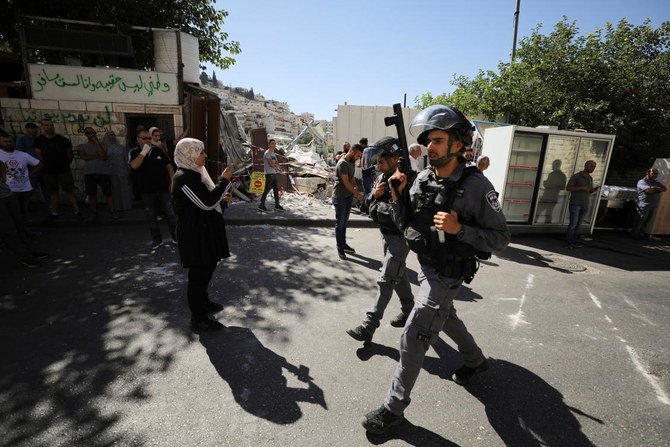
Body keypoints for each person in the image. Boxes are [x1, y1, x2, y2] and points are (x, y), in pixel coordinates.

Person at [361, 105, 510, 435]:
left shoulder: (476, 186)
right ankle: (475, 360)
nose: (431, 146)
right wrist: (397, 196)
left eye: (438, 140)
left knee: (415, 333)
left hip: (450, 272)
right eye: (428, 140)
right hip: (427, 267)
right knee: (446, 318)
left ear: (458, 144)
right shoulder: (424, 179)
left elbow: (502, 238)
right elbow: (407, 225)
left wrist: (461, 229)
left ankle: (394, 408)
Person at [346, 137, 415, 343]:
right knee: (398, 275)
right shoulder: (381, 178)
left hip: (400, 239)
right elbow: (368, 208)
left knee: (386, 280)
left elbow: (403, 217)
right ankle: (409, 310)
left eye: (381, 162)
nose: (378, 166)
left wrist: (390, 199)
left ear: (395, 159)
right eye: (376, 162)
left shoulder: (406, 181)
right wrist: (374, 196)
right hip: (386, 235)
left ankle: (368, 326)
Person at [171, 138, 233, 332]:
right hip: (194, 236)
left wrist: (222, 201)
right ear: (189, 154)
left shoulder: (197, 174)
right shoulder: (183, 178)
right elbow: (206, 203)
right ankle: (198, 318)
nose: (205, 155)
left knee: (207, 269)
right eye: (201, 152)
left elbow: (208, 203)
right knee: (198, 276)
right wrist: (224, 181)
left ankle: (204, 304)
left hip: (205, 231)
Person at [129, 129, 177, 249]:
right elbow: (134, 166)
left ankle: (176, 237)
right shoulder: (134, 151)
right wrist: (143, 152)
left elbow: (169, 165)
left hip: (163, 188)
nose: (147, 141)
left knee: (170, 214)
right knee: (151, 216)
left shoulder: (158, 150)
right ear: (138, 139)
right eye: (144, 138)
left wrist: (172, 180)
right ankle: (157, 239)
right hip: (146, 190)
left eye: (149, 138)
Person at [33, 118, 82, 220]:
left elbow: (69, 154)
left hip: (63, 170)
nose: (49, 127)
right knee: (53, 192)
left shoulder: (62, 140)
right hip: (49, 171)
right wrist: (45, 165)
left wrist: (65, 165)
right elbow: (39, 155)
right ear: (42, 126)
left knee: (69, 191)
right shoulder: (39, 141)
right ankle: (55, 212)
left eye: (51, 125)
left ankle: (77, 211)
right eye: (46, 125)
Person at [0, 161, 47, 268]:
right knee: (8, 228)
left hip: (7, 194)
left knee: (19, 225)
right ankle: (25, 256)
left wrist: (3, 178)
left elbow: (1, 164)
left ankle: (28, 251)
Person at [332, 143, 365, 260]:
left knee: (344, 223)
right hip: (340, 197)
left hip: (348, 197)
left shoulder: (351, 162)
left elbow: (352, 179)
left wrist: (357, 189)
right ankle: (339, 247)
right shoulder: (343, 164)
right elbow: (346, 182)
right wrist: (357, 194)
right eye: (358, 155)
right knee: (340, 224)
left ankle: (343, 244)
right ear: (352, 152)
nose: (358, 158)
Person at [77, 127, 115, 221]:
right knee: (92, 194)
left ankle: (112, 212)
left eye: (92, 133)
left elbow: (103, 156)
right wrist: (96, 156)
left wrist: (96, 142)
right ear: (86, 134)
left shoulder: (103, 145)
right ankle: (94, 213)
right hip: (89, 172)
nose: (91, 134)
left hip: (103, 172)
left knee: (108, 193)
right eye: (89, 133)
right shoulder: (83, 146)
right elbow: (83, 156)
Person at [0, 133, 42, 219]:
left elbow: (39, 164)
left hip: (25, 188)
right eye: (5, 141)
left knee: (23, 211)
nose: (8, 143)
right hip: (7, 190)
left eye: (10, 141)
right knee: (10, 213)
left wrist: (30, 174)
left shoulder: (22, 154)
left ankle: (24, 229)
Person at [565, 160, 598, 247]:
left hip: (585, 204)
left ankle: (574, 240)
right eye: (591, 166)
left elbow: (589, 191)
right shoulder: (576, 176)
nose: (593, 168)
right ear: (586, 165)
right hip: (575, 203)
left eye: (594, 167)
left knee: (578, 224)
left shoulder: (590, 178)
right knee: (573, 224)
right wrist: (582, 188)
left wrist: (592, 190)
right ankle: (570, 241)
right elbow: (568, 188)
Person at [631, 167, 666, 239]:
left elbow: (664, 188)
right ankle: (634, 234)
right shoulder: (642, 182)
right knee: (640, 220)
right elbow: (648, 191)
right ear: (648, 173)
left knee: (647, 221)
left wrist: (654, 188)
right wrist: (657, 189)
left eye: (656, 174)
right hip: (644, 205)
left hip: (653, 205)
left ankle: (641, 234)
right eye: (653, 173)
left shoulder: (656, 182)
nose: (655, 175)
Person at [102, 130, 133, 211]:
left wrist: (128, 170)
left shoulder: (121, 147)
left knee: (124, 189)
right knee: (114, 190)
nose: (112, 136)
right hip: (111, 172)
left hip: (122, 171)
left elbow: (126, 159)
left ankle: (126, 206)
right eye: (110, 135)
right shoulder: (104, 147)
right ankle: (116, 207)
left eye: (113, 135)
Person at [258, 139, 284, 211]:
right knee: (266, 190)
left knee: (276, 190)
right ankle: (261, 205)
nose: (274, 145)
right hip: (269, 174)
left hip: (274, 173)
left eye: (275, 144)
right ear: (269, 145)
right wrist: (275, 165)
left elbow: (277, 164)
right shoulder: (267, 153)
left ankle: (277, 205)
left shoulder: (273, 154)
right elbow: (272, 165)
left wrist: (276, 166)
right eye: (272, 143)